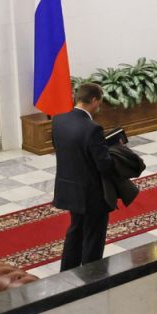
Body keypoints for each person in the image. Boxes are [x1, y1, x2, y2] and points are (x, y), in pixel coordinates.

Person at [52, 83, 116, 271]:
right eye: (100, 102)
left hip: (69, 189)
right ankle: (91, 276)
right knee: (93, 237)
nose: (99, 106)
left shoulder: (58, 120)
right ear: (94, 100)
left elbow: (62, 149)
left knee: (75, 231)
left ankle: (67, 272)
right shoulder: (92, 128)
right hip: (91, 193)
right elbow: (104, 165)